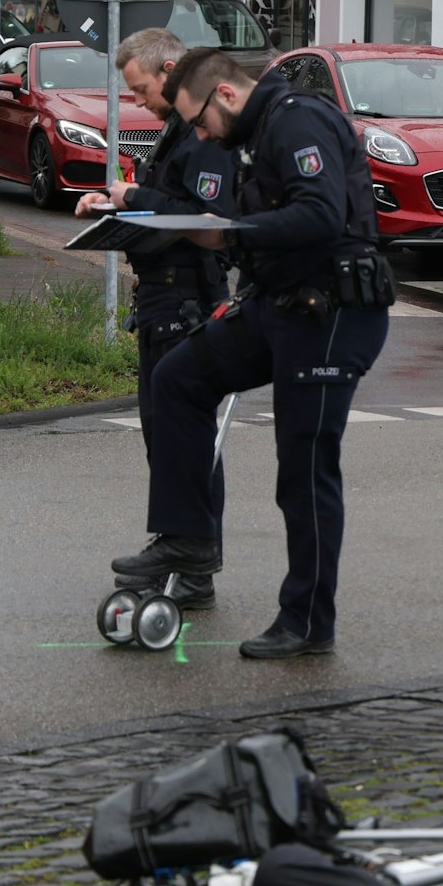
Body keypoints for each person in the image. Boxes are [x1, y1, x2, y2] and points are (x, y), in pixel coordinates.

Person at [110, 48, 394, 659]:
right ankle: (188, 539)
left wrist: (238, 233)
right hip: (278, 304)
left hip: (333, 312)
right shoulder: (255, 133)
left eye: (202, 123)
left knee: (303, 470)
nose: (201, 135)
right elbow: (226, 224)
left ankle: (307, 623)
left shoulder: (298, 120)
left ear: (227, 96)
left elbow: (320, 215)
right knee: (178, 376)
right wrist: (152, 217)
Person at [76, 28, 235, 609]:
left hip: (187, 296)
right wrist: (121, 200)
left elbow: (204, 213)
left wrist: (130, 198)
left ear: (170, 69)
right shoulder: (176, 132)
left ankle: (192, 564)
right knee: (167, 437)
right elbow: (167, 198)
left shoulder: (206, 133)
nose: (138, 102)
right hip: (162, 298)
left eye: (142, 90)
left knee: (184, 437)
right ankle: (186, 558)